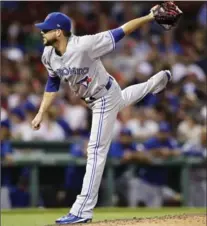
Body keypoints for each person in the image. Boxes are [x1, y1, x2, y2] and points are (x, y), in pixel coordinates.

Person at [32, 8, 172, 224]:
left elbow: (120, 31)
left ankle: (82, 210)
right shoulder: (48, 55)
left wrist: (151, 17)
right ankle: (156, 82)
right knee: (123, 99)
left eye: (46, 29)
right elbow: (52, 83)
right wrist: (41, 112)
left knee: (95, 151)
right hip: (101, 96)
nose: (42, 32)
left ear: (59, 32)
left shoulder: (84, 45)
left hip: (103, 97)